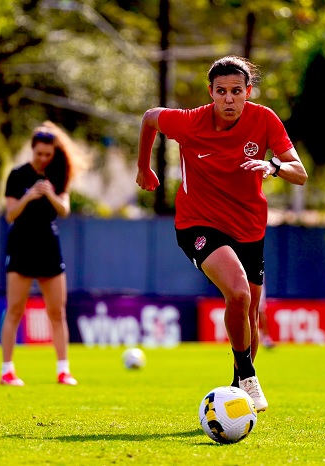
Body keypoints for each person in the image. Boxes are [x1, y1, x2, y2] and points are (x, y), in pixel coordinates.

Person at [136, 56, 307, 411]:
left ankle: (237, 395)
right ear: (210, 93)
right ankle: (248, 375)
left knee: (249, 312)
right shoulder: (189, 122)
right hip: (198, 224)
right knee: (239, 293)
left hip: (249, 227)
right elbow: (150, 116)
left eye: (237, 91)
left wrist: (272, 166)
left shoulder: (264, 119)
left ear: (248, 92)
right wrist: (143, 167)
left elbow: (299, 172)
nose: (229, 99)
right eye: (221, 91)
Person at [0, 121, 88, 386]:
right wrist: (28, 196)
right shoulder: (17, 175)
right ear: (32, 150)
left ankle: (63, 370)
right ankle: (7, 370)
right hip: (21, 245)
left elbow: (64, 209)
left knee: (57, 312)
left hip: (49, 246)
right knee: (15, 309)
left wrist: (49, 194)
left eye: (48, 154)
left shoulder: (58, 175)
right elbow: (10, 214)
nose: (43, 158)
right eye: (39, 153)